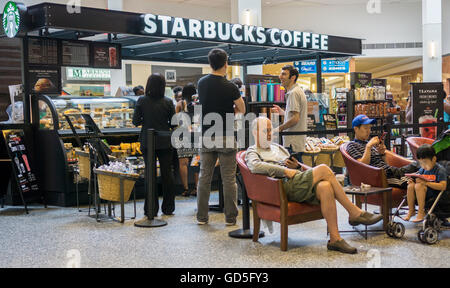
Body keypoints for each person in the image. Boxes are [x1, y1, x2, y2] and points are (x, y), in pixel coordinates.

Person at [245, 117, 383, 254]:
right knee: (323, 169)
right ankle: (353, 212)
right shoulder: (252, 151)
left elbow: (295, 168)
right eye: (265, 131)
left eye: (270, 130)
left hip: (296, 181)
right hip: (280, 186)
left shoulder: (278, 148)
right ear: (255, 133)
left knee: (325, 187)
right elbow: (255, 166)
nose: (269, 134)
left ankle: (335, 239)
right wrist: (285, 170)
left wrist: (297, 166)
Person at [196, 48, 246, 226]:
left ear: (210, 64)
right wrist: (230, 110)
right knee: (229, 179)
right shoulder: (231, 87)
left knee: (204, 177)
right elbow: (242, 109)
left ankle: (202, 217)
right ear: (226, 64)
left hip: (207, 134)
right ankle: (230, 218)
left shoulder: (201, 83)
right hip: (226, 135)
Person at [132, 73, 176, 225]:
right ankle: (168, 207)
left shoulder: (142, 100)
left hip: (147, 142)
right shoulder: (169, 102)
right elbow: (173, 123)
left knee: (150, 175)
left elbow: (135, 121)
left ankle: (150, 208)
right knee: (167, 174)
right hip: (165, 141)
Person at [346, 114, 418, 189]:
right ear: (356, 129)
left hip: (390, 172)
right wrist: (368, 147)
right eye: (365, 128)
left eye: (370, 128)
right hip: (380, 176)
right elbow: (362, 166)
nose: (368, 131)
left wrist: (382, 154)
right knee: (417, 172)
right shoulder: (352, 145)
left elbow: (385, 164)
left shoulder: (370, 144)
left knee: (420, 172)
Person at [272, 65, 307, 160]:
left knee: (294, 171)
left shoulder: (293, 93)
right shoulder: (298, 91)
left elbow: (295, 119)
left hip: (292, 142)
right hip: (297, 141)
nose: (280, 77)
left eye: (284, 74)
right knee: (297, 169)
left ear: (293, 77)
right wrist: (283, 112)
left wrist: (279, 129)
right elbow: (294, 115)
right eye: (281, 74)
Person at [405, 144, 447, 222]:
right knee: (410, 186)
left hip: (434, 194)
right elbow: (419, 180)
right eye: (421, 163)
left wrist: (426, 183)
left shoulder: (439, 170)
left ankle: (421, 212)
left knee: (419, 186)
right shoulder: (423, 170)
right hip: (421, 193)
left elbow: (443, 186)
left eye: (425, 163)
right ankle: (411, 210)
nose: (423, 166)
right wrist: (413, 181)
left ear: (434, 159)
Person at [175, 83, 199, 197]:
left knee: (183, 163)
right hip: (195, 134)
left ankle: (185, 188)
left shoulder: (180, 104)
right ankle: (197, 188)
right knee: (195, 162)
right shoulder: (198, 104)